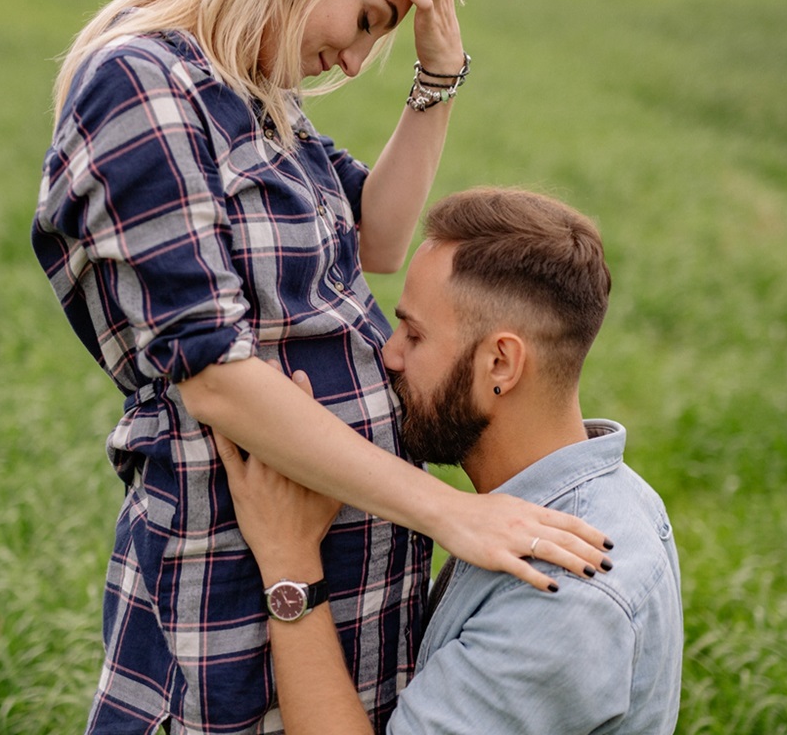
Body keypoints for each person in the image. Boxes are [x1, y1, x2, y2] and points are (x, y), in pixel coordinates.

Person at [32, 0, 614, 734]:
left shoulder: (259, 98)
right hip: (229, 578)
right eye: (369, 18)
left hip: (355, 581)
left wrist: (437, 78)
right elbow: (212, 372)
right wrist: (450, 513)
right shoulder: (143, 84)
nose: (351, 62)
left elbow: (377, 238)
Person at [218, 187, 684, 734]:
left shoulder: (560, 599)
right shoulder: (611, 497)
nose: (389, 354)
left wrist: (290, 565)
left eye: (414, 334)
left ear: (500, 365)